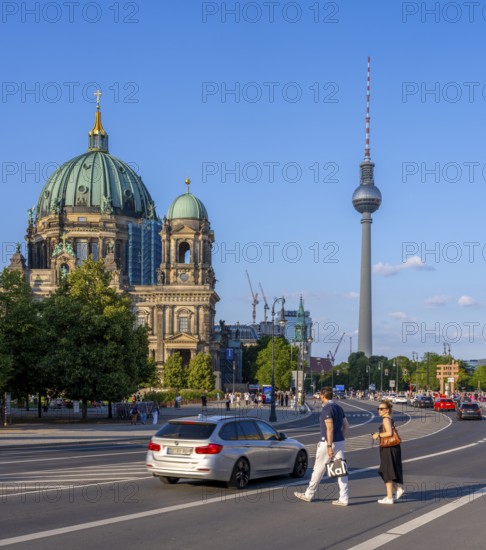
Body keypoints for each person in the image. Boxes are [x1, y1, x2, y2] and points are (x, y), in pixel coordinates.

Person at [295, 387, 349, 506]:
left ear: (323, 396)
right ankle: (344, 497)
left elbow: (329, 428)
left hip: (327, 443)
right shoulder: (339, 408)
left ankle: (309, 494)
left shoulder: (327, 409)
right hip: (339, 442)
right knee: (341, 470)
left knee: (318, 469)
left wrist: (330, 446)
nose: (320, 397)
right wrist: (340, 438)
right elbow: (346, 426)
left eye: (320, 395)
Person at [372, 400, 404, 504]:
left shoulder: (386, 419)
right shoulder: (388, 418)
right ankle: (395, 491)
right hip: (391, 447)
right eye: (378, 408)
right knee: (385, 471)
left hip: (388, 448)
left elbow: (389, 433)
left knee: (386, 471)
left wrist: (378, 435)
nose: (379, 410)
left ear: (387, 410)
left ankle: (390, 497)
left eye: (382, 409)